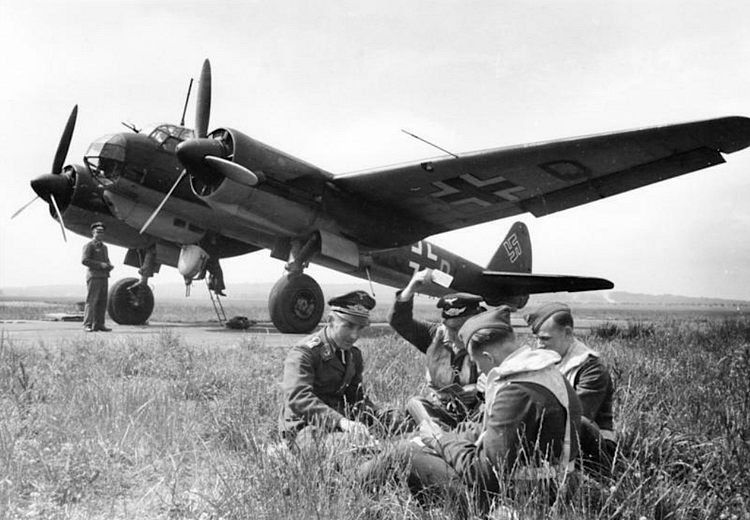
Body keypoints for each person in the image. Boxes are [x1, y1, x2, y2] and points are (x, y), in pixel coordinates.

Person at [361, 306, 581, 516]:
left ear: (488, 357)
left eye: (477, 363)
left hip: (520, 498)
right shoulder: (546, 374)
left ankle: (355, 490)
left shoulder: (516, 392)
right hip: (551, 486)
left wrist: (440, 440)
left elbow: (483, 474)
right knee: (416, 441)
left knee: (403, 452)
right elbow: (492, 431)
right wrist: (445, 436)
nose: (483, 373)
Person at [279, 290, 406, 450]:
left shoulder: (353, 355)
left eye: (360, 328)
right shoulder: (305, 353)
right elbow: (298, 398)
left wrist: (377, 415)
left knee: (401, 422)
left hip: (342, 421)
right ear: (330, 321)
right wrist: (341, 422)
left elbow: (355, 397)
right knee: (350, 448)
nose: (354, 335)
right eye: (348, 326)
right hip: (306, 426)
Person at [525, 302, 616, 475]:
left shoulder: (591, 369)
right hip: (557, 440)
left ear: (567, 333)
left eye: (545, 339)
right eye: (537, 338)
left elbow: (577, 417)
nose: (538, 345)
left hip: (593, 447)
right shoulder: (549, 359)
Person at [388, 269, 485, 430]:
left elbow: (506, 386)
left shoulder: (491, 341)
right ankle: (441, 436)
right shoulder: (435, 336)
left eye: (458, 329)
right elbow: (399, 322)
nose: (451, 335)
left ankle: (448, 439)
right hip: (440, 411)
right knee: (416, 403)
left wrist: (479, 390)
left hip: (477, 414)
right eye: (448, 328)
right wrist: (411, 288)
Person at [81, 221, 114, 332]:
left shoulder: (104, 247)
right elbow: (84, 260)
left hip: (104, 276)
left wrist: (109, 265)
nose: (100, 234)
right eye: (98, 232)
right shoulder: (89, 245)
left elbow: (106, 260)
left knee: (102, 301)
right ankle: (87, 325)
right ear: (93, 233)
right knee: (92, 300)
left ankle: (99, 324)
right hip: (94, 276)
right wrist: (100, 265)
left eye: (102, 232)